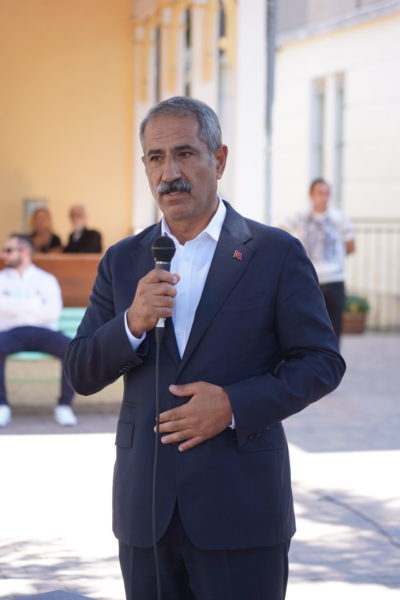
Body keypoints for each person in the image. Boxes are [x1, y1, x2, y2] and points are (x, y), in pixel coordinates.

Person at [65, 97, 345, 600]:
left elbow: (322, 362)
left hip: (242, 508)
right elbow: (81, 372)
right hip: (146, 512)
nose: (169, 173)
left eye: (185, 154)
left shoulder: (274, 252)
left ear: (218, 160)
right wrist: (131, 322)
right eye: (156, 158)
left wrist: (234, 405)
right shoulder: (123, 260)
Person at [0, 234, 77, 427]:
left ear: (24, 252)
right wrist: (35, 303)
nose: (4, 255)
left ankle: (64, 406)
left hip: (43, 332)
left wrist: (14, 305)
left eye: (9, 250)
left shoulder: (46, 279)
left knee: (72, 349)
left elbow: (52, 312)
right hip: (11, 332)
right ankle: (1, 406)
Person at [281, 178, 355, 342]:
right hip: (309, 278)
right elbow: (280, 232)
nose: (324, 198)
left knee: (334, 327)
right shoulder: (301, 216)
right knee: (307, 326)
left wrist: (335, 259)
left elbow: (351, 246)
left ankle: (334, 357)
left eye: (327, 193)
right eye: (320, 193)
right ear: (311, 195)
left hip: (335, 279)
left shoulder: (338, 217)